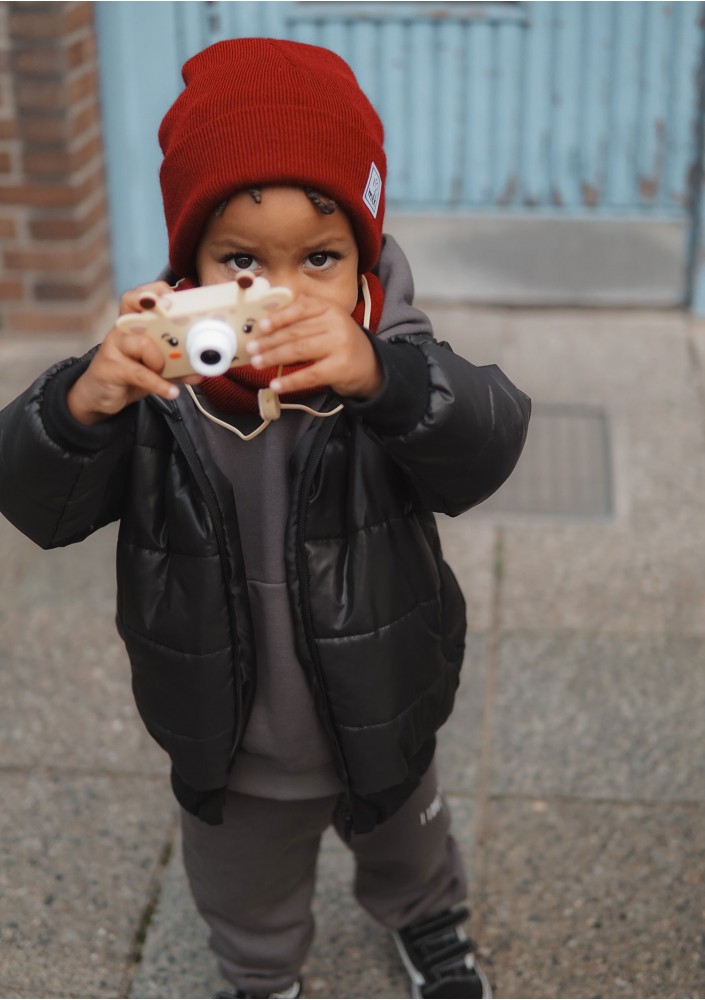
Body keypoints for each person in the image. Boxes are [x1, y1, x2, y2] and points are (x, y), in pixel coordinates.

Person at [0, 39, 530, 1000]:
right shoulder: (159, 382)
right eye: (240, 260)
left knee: (411, 850)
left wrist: (384, 378)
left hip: (383, 702)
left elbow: (488, 444)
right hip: (227, 734)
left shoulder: (390, 361)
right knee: (243, 893)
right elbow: (38, 505)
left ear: (364, 258)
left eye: (319, 259)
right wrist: (80, 406)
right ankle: (261, 978)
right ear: (189, 265)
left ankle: (431, 926)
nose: (280, 293)